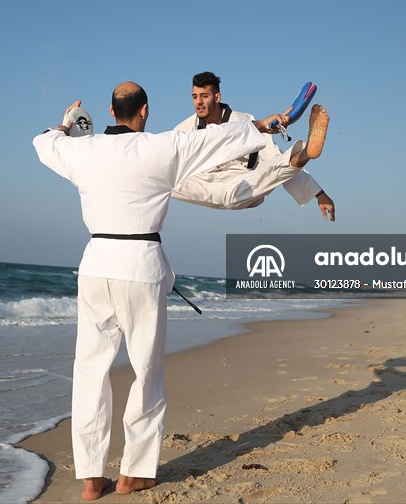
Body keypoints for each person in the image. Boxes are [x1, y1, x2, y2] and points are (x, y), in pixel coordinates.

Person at [33, 81, 313, 501]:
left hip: (95, 265)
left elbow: (43, 142)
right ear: (143, 111)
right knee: (146, 371)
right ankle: (134, 474)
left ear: (110, 112)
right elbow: (219, 139)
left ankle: (91, 478)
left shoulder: (82, 150)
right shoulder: (163, 147)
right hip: (140, 265)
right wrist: (263, 125)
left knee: (90, 371)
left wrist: (67, 124)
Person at [171, 71, 335, 220]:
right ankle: (305, 153)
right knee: (165, 178)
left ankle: (306, 153)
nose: (198, 102)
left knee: (271, 169)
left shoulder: (245, 122)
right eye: (194, 97)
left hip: (244, 183)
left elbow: (275, 157)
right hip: (204, 182)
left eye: (204, 96)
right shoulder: (185, 129)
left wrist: (318, 193)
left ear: (217, 97)